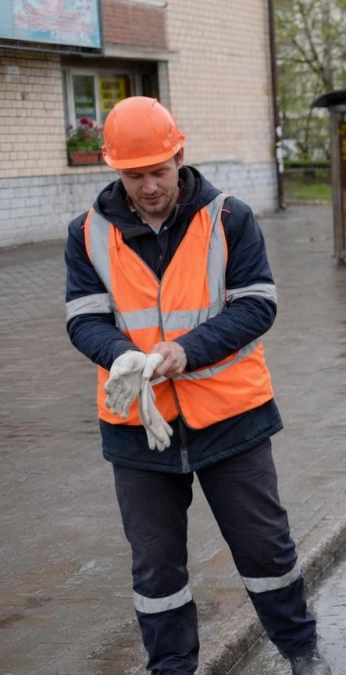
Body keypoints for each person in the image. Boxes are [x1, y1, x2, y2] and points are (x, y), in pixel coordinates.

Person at [62, 97, 332, 675]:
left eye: (159, 171)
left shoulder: (229, 218)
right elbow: (83, 319)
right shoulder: (86, 233)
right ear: (115, 169)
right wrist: (122, 356)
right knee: (156, 568)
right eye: (134, 176)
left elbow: (258, 304)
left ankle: (302, 651)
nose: (149, 187)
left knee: (265, 548)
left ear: (179, 157)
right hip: (138, 427)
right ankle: (171, 667)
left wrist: (187, 350)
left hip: (231, 417)